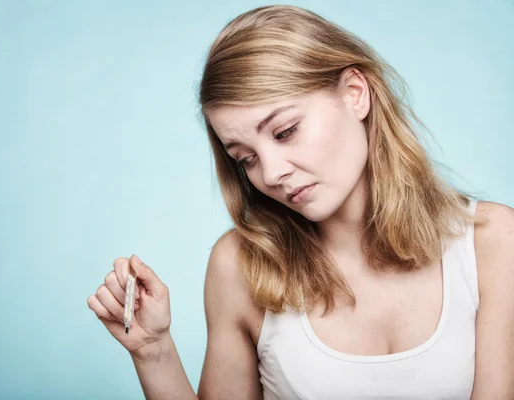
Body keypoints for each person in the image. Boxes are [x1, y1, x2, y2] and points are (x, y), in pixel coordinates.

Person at [87, 5, 514, 399]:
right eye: (246, 159)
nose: (270, 174)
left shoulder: (493, 244)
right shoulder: (239, 265)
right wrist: (153, 351)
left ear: (355, 93)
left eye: (286, 130)